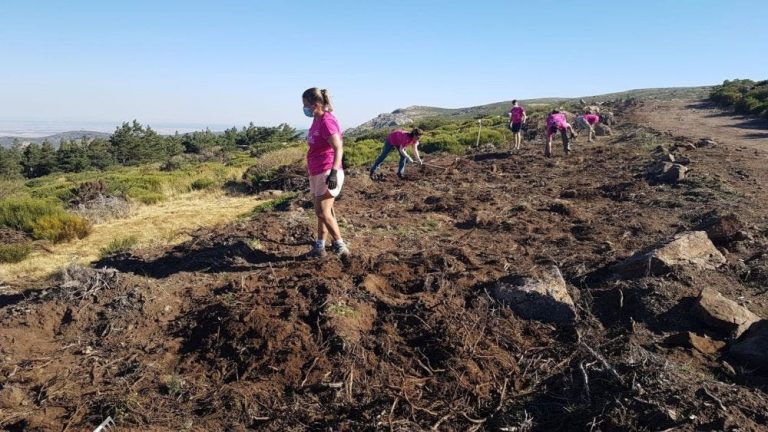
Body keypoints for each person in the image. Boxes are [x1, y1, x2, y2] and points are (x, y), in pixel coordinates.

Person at [302, 87, 349, 257]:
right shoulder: (317, 118)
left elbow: (338, 147)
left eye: (306, 105)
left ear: (316, 104)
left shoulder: (327, 121)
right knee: (322, 213)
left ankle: (340, 245)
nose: (304, 109)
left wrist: (334, 172)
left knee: (322, 211)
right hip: (316, 171)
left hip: (327, 170)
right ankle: (320, 246)